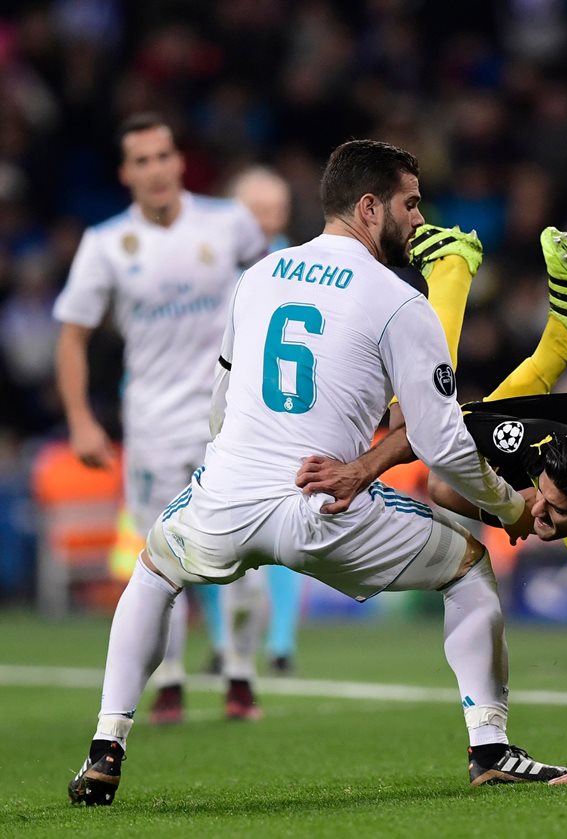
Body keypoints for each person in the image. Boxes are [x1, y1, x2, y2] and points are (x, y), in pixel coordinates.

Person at [67, 139, 566, 806]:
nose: (419, 219)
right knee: (467, 566)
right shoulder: (399, 301)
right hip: (326, 504)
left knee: (155, 571)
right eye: (409, 204)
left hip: (228, 497)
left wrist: (230, 471)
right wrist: (510, 508)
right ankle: (490, 746)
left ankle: (106, 746)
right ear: (368, 207)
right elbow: (442, 445)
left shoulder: (260, 276)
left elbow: (220, 401)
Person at [296, 225, 567, 784]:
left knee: (446, 479)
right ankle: (547, 330)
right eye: (540, 495)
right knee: (438, 449)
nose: (538, 513)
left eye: (555, 514)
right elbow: (440, 423)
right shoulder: (547, 447)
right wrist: (366, 469)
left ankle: (525, 314)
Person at [53, 113, 269, 723]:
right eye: (140, 161)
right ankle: (169, 679)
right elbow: (72, 337)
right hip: (149, 425)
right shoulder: (106, 245)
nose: (154, 170)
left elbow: (277, 287)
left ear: (179, 162)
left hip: (233, 419)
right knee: (158, 557)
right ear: (126, 173)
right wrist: (80, 419)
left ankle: (240, 673)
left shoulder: (230, 224)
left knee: (248, 547)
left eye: (163, 156)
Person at [230, 165, 305, 674]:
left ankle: (278, 642)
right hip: (229, 410)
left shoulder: (293, 264)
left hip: (283, 416)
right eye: (257, 210)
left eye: (274, 210)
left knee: (287, 528)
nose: (266, 219)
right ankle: (228, 644)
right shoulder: (215, 262)